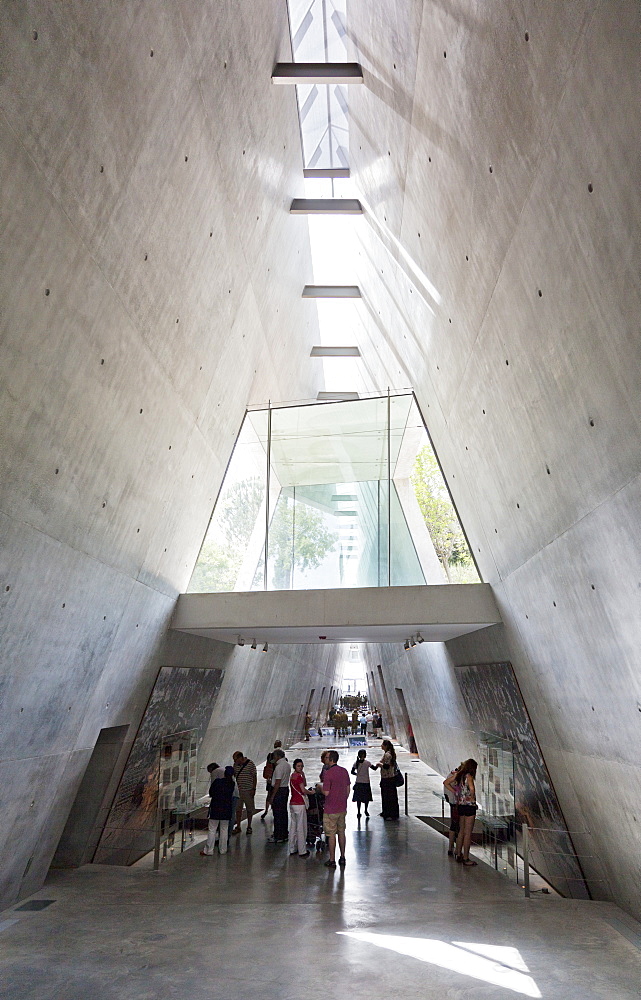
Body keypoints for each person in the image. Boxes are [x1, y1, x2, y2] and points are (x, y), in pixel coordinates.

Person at [444, 758, 478, 866]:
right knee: (468, 833)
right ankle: (466, 858)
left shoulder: (459, 775)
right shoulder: (469, 776)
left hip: (460, 805)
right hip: (469, 806)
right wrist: (472, 798)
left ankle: (458, 853)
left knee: (461, 831)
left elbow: (446, 783)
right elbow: (472, 788)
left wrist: (456, 793)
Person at [322, 750, 350, 869]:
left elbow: (326, 792)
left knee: (331, 834)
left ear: (331, 759)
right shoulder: (344, 771)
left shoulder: (328, 773)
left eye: (327, 758)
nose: (326, 760)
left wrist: (320, 788)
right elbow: (348, 789)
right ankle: (342, 857)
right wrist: (343, 799)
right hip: (342, 808)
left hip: (330, 809)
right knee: (341, 832)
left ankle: (332, 859)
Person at [200, 765, 235, 856]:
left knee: (212, 829)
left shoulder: (217, 782)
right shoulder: (232, 784)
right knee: (224, 829)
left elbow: (211, 793)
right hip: (227, 809)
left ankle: (209, 850)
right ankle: (223, 849)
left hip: (216, 807)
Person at [267, 748, 290, 843]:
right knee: (283, 813)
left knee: (277, 814)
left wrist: (272, 796)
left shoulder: (279, 767)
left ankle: (278, 835)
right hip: (285, 789)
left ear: (277, 756)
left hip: (279, 791)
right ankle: (284, 834)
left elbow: (277, 782)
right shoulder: (287, 765)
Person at [288, 758, 310, 858]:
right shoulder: (299, 777)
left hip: (292, 803)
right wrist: (311, 792)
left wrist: (302, 774)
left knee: (293, 827)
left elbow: (302, 785)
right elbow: (303, 789)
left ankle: (292, 848)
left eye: (301, 766)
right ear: (295, 766)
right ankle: (302, 850)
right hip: (300, 804)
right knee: (301, 827)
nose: (300, 768)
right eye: (298, 766)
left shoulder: (292, 776)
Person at [231, 751, 257, 836]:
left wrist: (253, 788)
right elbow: (234, 775)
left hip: (248, 790)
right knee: (238, 809)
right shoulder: (235, 765)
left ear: (240, 758)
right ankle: (238, 826)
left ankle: (249, 826)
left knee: (249, 809)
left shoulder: (250, 764)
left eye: (235, 759)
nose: (235, 762)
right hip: (239, 791)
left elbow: (254, 776)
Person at [443, 762, 464, 856]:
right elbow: (446, 783)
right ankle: (455, 849)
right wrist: (455, 792)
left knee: (454, 825)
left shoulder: (452, 774)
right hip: (455, 803)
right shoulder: (456, 776)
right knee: (456, 825)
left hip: (453, 802)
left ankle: (451, 847)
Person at [375, 739, 399, 820]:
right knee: (389, 796)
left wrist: (379, 765)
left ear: (385, 746)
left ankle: (389, 813)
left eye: (382, 744)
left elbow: (386, 766)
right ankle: (387, 812)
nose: (381, 746)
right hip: (388, 778)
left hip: (387, 778)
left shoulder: (388, 755)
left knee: (388, 797)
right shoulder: (388, 754)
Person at [261, 740, 282, 820]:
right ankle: (273, 811)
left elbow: (268, 764)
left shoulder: (270, 756)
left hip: (270, 778)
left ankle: (266, 810)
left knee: (269, 795)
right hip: (277, 778)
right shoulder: (281, 756)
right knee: (275, 795)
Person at [351, 749, 374, 819]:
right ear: (365, 755)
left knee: (359, 798)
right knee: (366, 798)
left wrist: (357, 774)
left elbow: (352, 771)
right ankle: (366, 810)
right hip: (366, 782)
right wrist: (380, 764)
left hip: (358, 782)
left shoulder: (356, 763)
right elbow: (374, 768)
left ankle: (358, 812)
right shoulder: (367, 763)